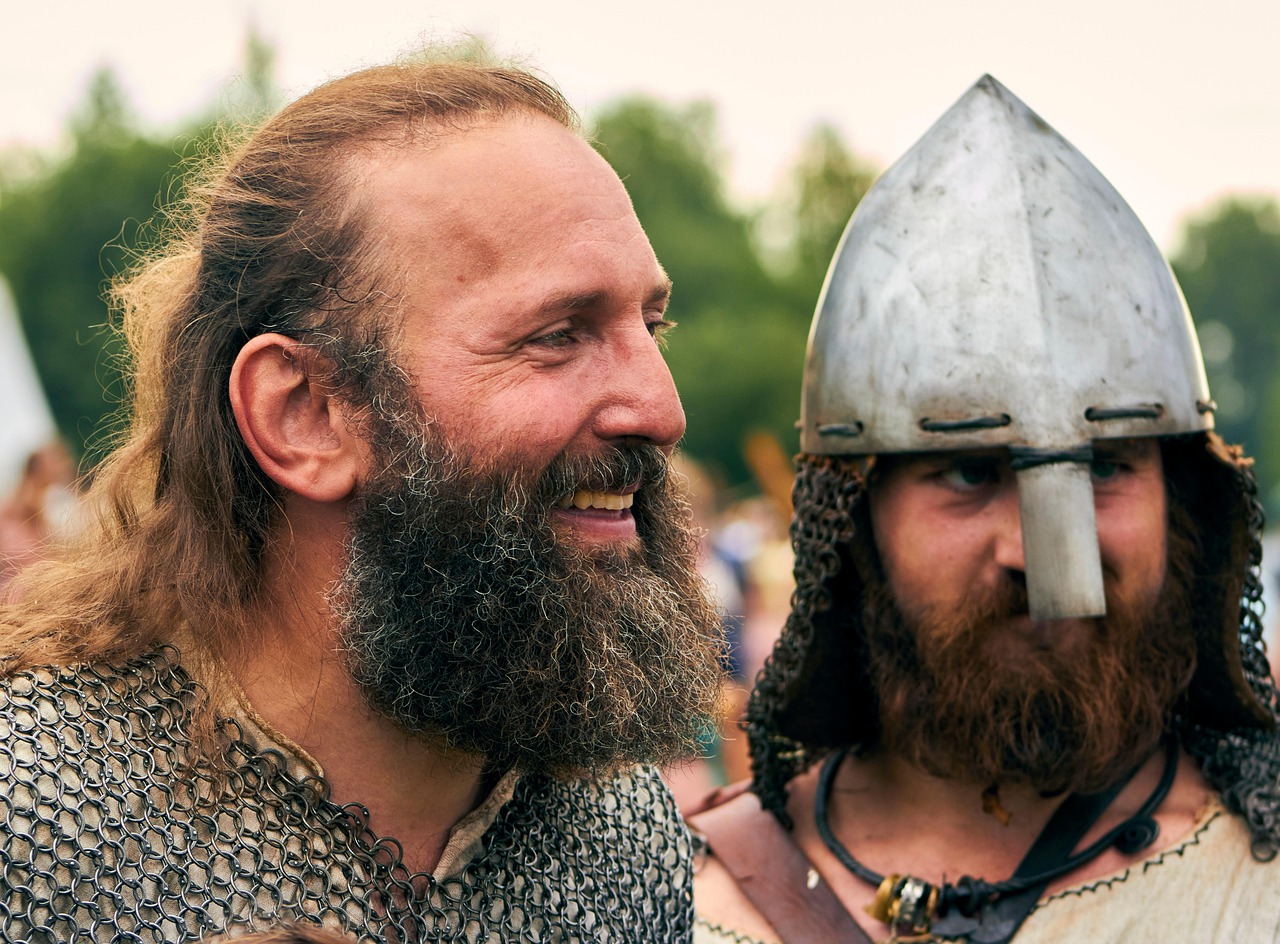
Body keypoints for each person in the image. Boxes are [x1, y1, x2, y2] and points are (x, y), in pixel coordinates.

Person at [0, 54, 726, 941]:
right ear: (304, 413)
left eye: (651, 326)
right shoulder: (33, 827)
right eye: (557, 336)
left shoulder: (620, 838)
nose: (661, 409)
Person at [690, 75, 1280, 944]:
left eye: (1107, 465)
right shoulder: (686, 902)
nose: (1044, 553)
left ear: (1186, 506)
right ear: (851, 523)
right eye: (968, 474)